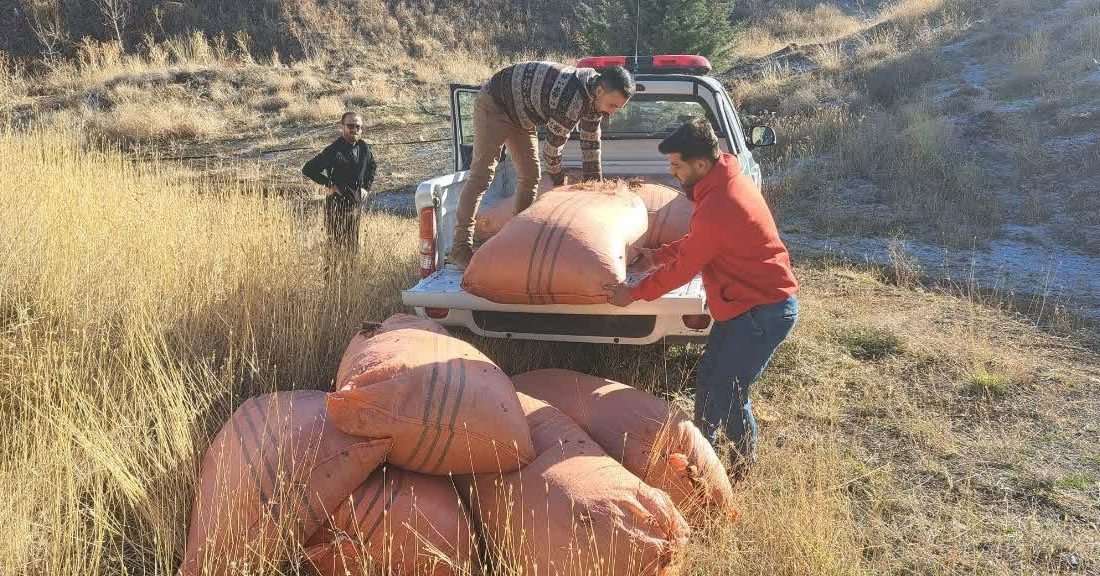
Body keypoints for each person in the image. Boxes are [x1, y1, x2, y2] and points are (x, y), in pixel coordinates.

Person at [606, 119, 799, 466]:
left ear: (700, 164)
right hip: (742, 306)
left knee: (730, 394)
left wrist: (632, 295)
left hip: (761, 312)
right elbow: (699, 243)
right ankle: (702, 455)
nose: (673, 173)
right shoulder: (722, 184)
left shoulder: (720, 204)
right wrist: (655, 256)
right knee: (710, 380)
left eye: (677, 166)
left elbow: (684, 269)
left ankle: (741, 467)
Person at [447, 61, 636, 269]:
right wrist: (559, 184)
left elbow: (591, 146)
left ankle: (516, 238)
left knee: (530, 176)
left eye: (618, 108)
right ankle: (460, 247)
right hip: (495, 105)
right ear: (599, 90)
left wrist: (596, 192)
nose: (613, 112)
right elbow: (551, 151)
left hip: (521, 117)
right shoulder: (571, 98)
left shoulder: (595, 99)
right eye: (613, 106)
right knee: (482, 176)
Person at [302, 111, 376, 274]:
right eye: (350, 126)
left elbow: (372, 167)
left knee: (352, 248)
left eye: (358, 126)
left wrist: (365, 188)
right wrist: (329, 183)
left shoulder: (364, 147)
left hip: (355, 205)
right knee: (333, 247)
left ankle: (350, 283)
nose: (354, 129)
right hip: (336, 206)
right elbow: (308, 169)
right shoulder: (333, 150)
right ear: (342, 128)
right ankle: (331, 285)